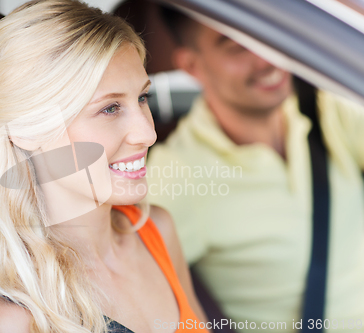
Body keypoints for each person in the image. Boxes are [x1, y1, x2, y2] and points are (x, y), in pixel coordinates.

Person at [0, 1, 210, 332]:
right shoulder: (17, 318)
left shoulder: (156, 230)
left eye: (143, 98)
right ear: (27, 129)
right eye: (110, 108)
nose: (148, 133)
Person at [147, 5, 364, 333]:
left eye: (268, 36)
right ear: (192, 66)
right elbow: (132, 288)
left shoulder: (328, 108)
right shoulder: (178, 172)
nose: (266, 59)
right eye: (236, 46)